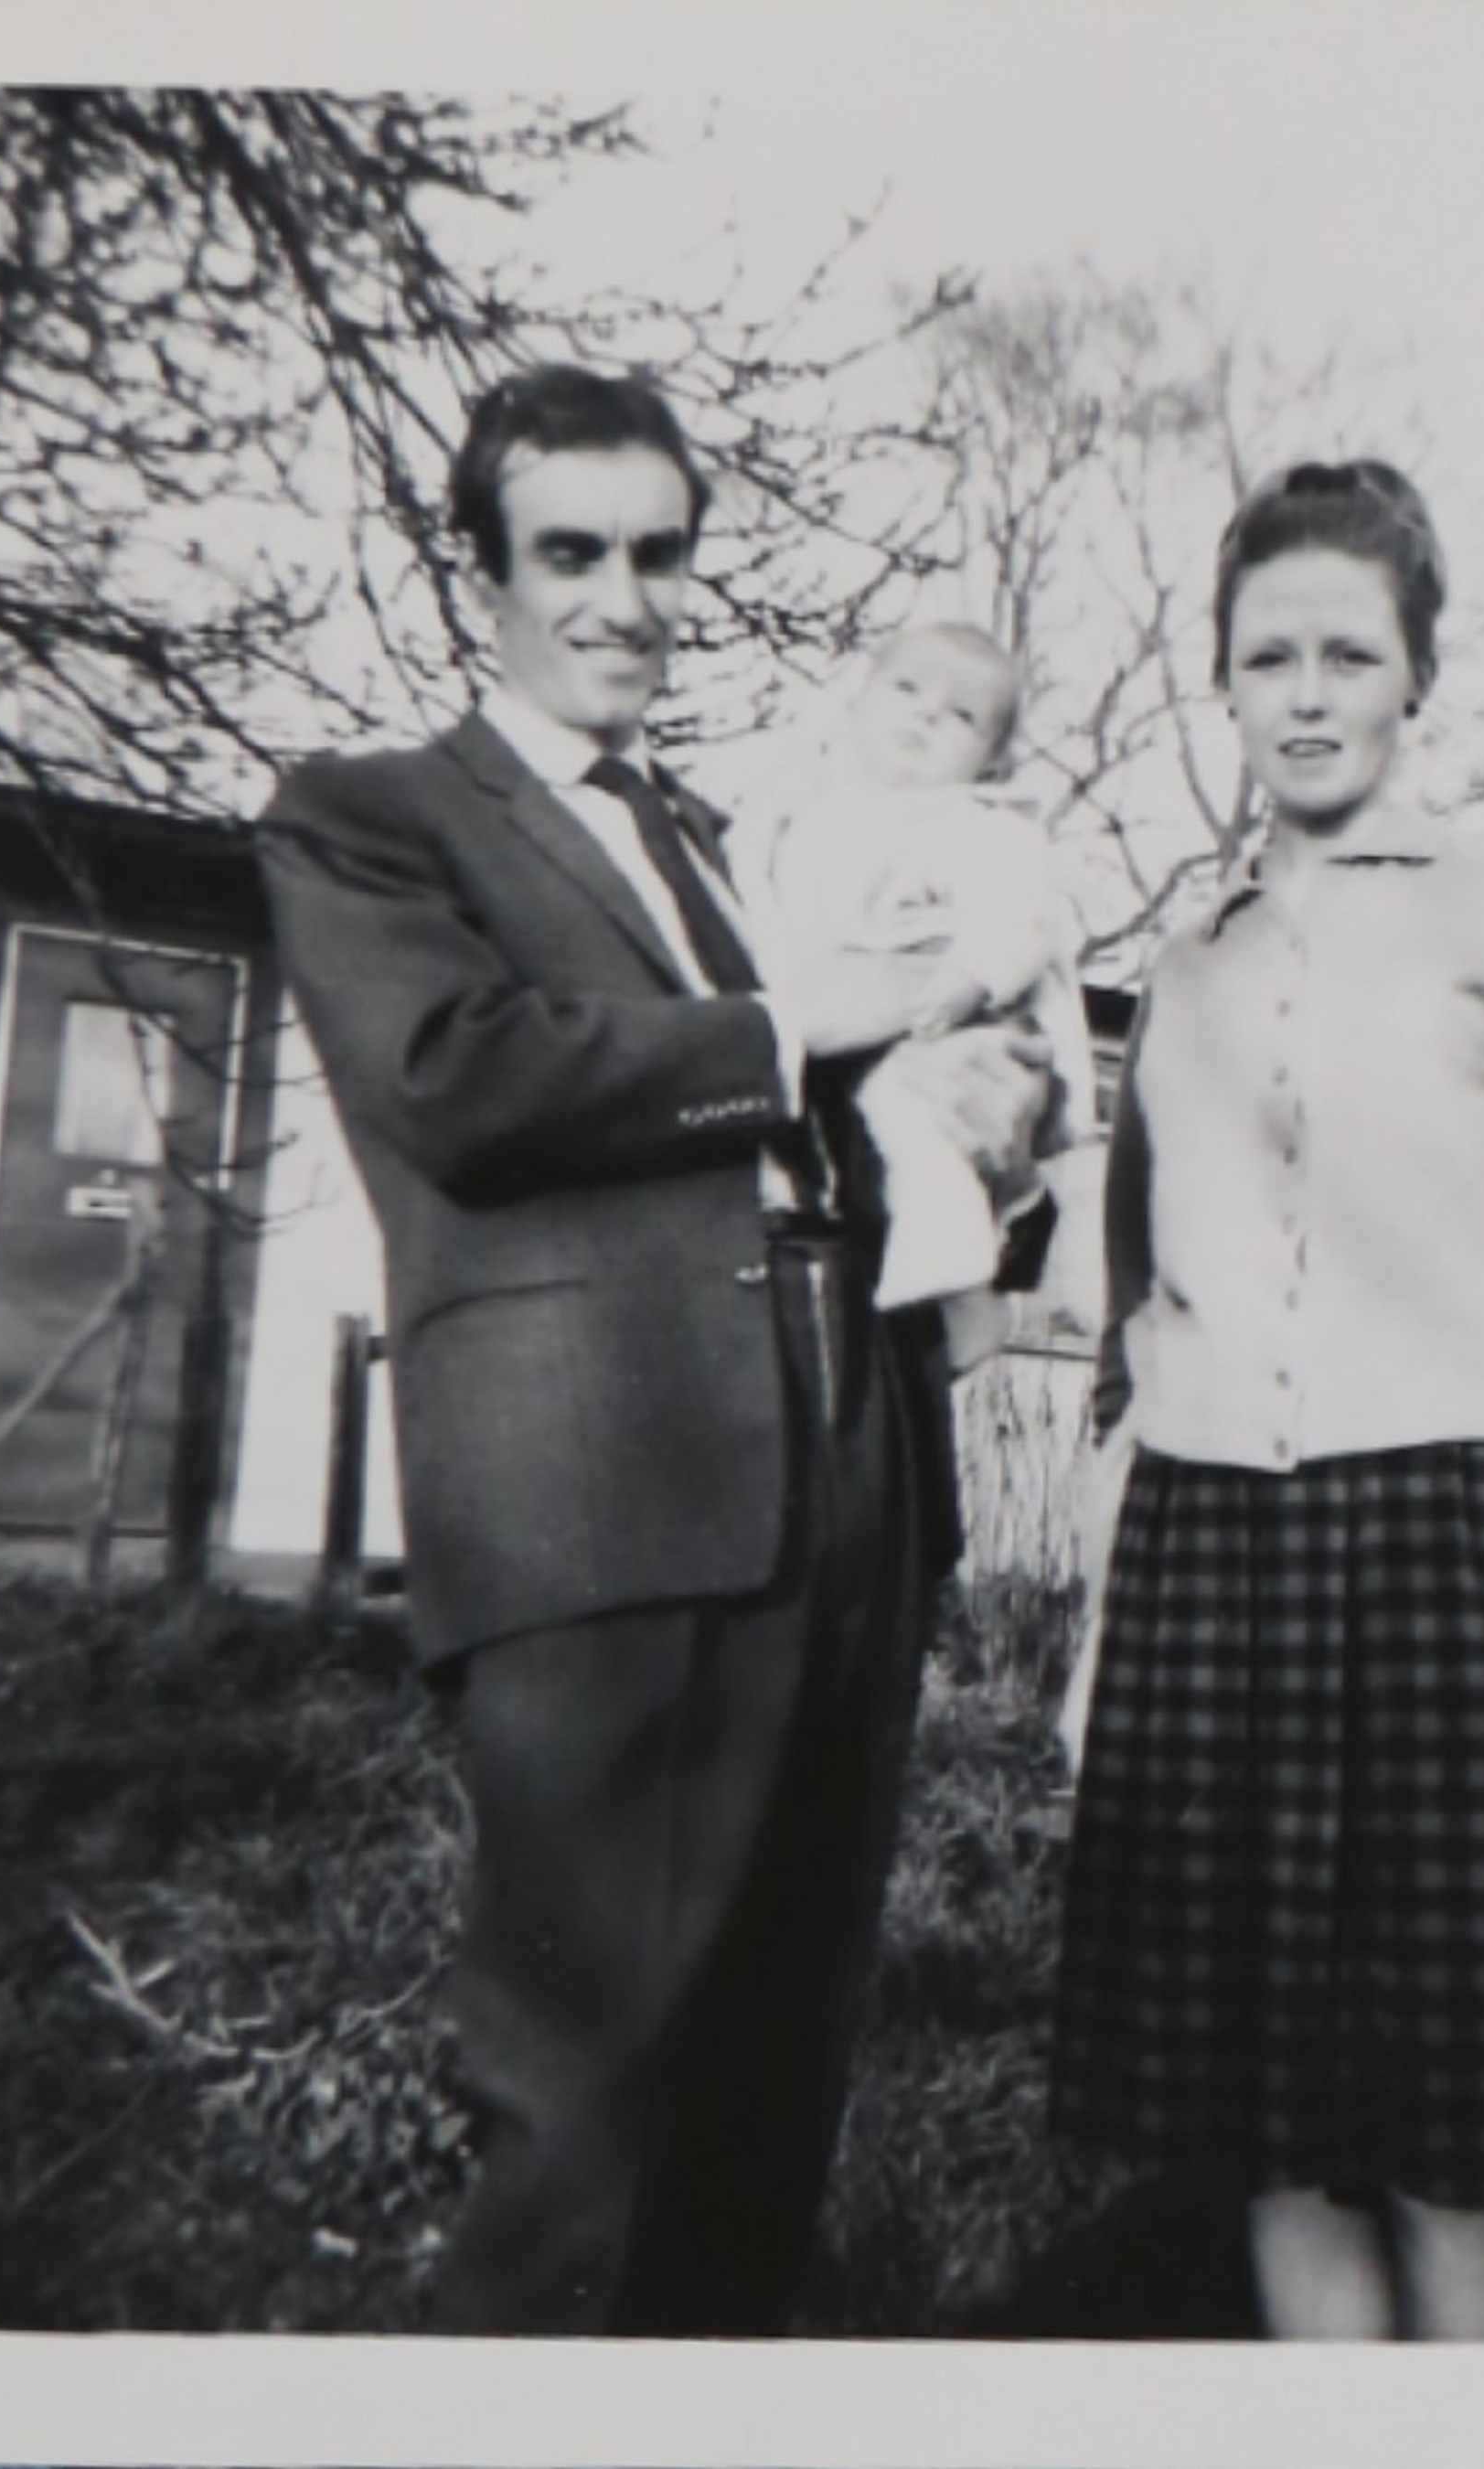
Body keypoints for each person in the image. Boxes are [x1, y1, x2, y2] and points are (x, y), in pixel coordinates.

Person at [256, 364, 1052, 2336]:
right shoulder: (374, 820)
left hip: (852, 1475)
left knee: (770, 2098)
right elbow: (464, 1082)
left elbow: (854, 1113)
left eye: (659, 552)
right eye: (572, 553)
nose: (623, 597)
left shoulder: (733, 840)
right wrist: (811, 1030)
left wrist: (984, 1122)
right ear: (487, 578)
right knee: (585, 2111)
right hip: (606, 1492)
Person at [1048, 459, 1484, 2342]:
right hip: (1216, 1556)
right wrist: (1103, 1633)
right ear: (1224, 686)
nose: (1307, 693)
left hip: (1460, 1550)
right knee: (1274, 2135)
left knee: (1450, 2139)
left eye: (1348, 652)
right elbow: (1143, 1329)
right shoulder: (1181, 970)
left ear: (1417, 674)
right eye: (1268, 658)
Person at [737, 622, 1097, 1367]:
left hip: (938, 1022)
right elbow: (750, 892)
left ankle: (964, 1284)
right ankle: (950, 1282)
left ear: (990, 759)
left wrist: (971, 977)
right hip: (818, 1030)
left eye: (962, 716)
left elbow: (1021, 916)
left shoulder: (975, 826)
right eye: (906, 689)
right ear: (858, 699)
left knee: (918, 1129)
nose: (926, 714)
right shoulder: (797, 802)